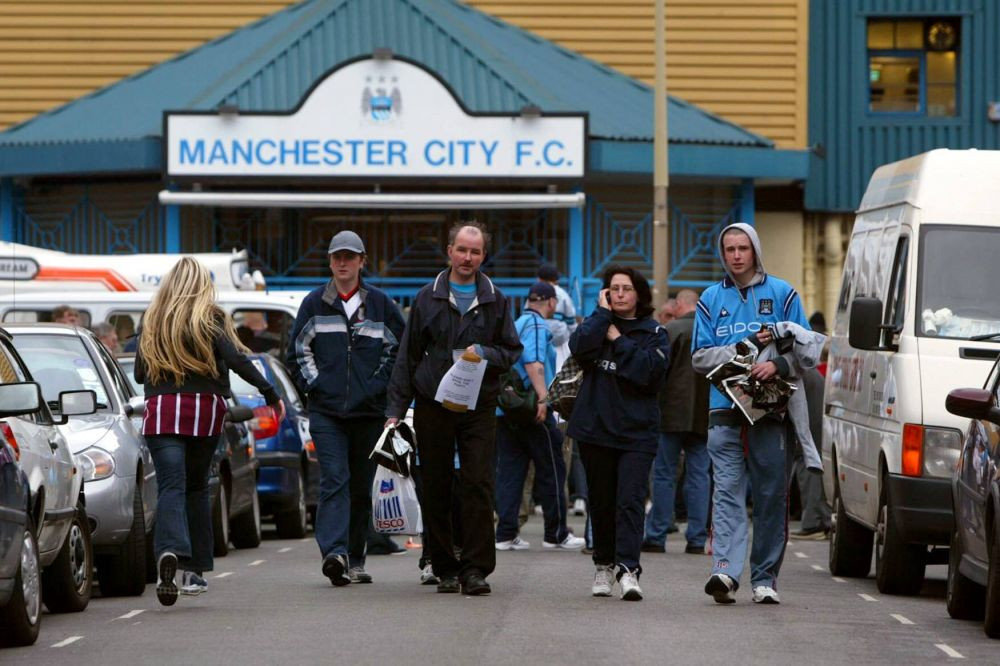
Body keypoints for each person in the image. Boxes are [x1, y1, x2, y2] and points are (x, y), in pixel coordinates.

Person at [134, 257, 285, 607]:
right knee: (198, 487)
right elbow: (236, 359)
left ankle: (169, 551)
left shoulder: (152, 319)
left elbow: (141, 373)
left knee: (171, 486)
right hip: (204, 412)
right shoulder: (211, 318)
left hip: (163, 411)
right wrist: (269, 393)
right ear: (203, 284)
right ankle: (194, 570)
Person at [385, 221, 522, 596]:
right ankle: (444, 566)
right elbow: (407, 357)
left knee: (478, 482)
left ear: (483, 256)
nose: (467, 258)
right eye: (462, 250)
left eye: (475, 252)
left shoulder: (496, 299)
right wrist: (395, 408)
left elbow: (512, 351)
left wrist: (487, 354)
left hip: (479, 404)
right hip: (434, 402)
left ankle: (475, 569)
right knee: (437, 485)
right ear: (449, 251)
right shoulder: (427, 297)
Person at [692, 222, 809, 605]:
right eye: (730, 249)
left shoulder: (783, 293)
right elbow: (699, 356)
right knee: (726, 493)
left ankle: (764, 579)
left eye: (743, 248)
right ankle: (724, 571)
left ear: (755, 250)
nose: (737, 255)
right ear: (722, 254)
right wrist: (742, 351)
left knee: (771, 494)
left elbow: (807, 349)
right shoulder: (710, 298)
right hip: (723, 409)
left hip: (771, 412)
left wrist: (777, 365)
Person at [287, 230, 406, 587]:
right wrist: (317, 385)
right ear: (329, 261)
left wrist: (377, 388)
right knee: (334, 480)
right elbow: (297, 352)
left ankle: (355, 558)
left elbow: (398, 351)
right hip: (326, 413)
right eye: (337, 256)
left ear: (361, 261)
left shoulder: (382, 305)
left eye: (350, 257)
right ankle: (334, 554)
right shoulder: (313, 303)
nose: (343, 262)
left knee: (360, 487)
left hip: (369, 413)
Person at [568, 265, 670, 601]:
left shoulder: (654, 331)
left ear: (639, 293)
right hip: (595, 429)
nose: (620, 294)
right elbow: (578, 348)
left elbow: (649, 372)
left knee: (630, 501)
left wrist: (618, 339)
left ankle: (629, 569)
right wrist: (601, 315)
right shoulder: (596, 323)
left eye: (626, 288)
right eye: (614, 288)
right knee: (601, 501)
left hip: (636, 433)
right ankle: (603, 565)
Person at [495, 281, 585, 552]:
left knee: (511, 470)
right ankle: (555, 532)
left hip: (508, 410)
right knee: (553, 468)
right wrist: (544, 399)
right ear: (551, 303)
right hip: (532, 408)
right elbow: (534, 363)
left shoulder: (517, 322)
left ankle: (506, 533)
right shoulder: (536, 325)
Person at [642, 288, 711, 555]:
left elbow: (657, 371)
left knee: (663, 474)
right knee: (699, 476)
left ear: (680, 304)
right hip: (704, 415)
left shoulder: (670, 330)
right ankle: (696, 538)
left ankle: (657, 535)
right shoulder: (711, 331)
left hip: (669, 414)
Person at [789, 367, 831, 539]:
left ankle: (814, 523)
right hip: (815, 429)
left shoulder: (800, 373)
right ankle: (819, 520)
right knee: (812, 475)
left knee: (808, 474)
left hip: (809, 432)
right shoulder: (812, 373)